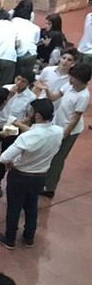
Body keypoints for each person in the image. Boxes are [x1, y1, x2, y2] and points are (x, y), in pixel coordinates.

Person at [0, 98, 63, 249]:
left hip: (20, 176)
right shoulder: (58, 132)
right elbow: (38, 133)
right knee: (32, 206)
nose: (28, 115)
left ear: (37, 116)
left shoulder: (26, 137)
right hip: (40, 176)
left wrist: (10, 163)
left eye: (30, 112)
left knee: (14, 207)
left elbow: (4, 157)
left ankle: (10, 238)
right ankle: (29, 237)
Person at [42, 63, 90, 197]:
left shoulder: (83, 96)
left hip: (68, 130)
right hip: (57, 124)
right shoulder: (70, 86)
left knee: (58, 158)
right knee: (50, 154)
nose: (70, 79)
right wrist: (46, 89)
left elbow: (75, 119)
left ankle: (50, 188)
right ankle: (44, 180)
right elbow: (54, 97)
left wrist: (64, 134)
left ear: (81, 80)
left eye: (73, 78)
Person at [0, 70, 37, 198]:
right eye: (18, 79)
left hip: (13, 127)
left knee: (6, 155)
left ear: (29, 84)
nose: (19, 83)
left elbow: (28, 116)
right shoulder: (6, 88)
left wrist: (15, 124)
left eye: (24, 81)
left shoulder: (31, 98)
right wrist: (9, 96)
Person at [11, 0, 41, 73]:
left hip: (17, 54)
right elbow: (36, 41)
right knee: (26, 77)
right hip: (31, 54)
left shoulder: (12, 22)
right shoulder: (36, 28)